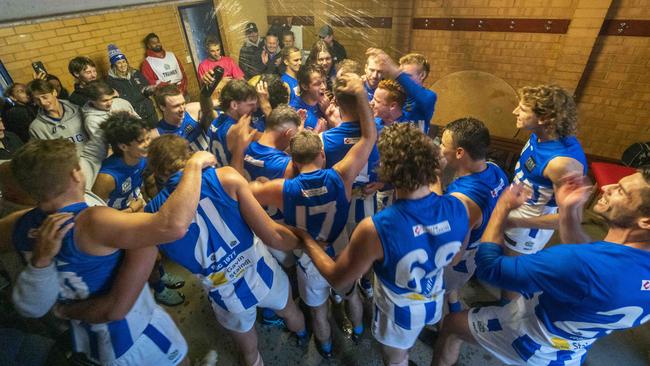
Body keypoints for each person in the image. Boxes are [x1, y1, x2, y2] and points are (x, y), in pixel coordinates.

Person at [9, 138, 217, 365]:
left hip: (95, 337)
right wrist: (194, 165)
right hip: (130, 335)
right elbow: (173, 225)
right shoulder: (91, 221)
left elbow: (29, 305)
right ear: (76, 174)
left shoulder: (19, 224)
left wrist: (47, 277)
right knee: (179, 361)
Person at [432, 168, 650, 366]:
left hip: (530, 339)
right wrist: (568, 210)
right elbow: (586, 256)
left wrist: (503, 207)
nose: (606, 187)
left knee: (451, 324)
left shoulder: (581, 262)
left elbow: (490, 267)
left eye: (621, 191)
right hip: (571, 350)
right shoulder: (610, 260)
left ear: (646, 222)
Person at [295, 123, 469, 366]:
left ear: (386, 170)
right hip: (433, 296)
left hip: (399, 311)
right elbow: (456, 258)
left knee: (395, 359)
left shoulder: (377, 227)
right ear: (434, 164)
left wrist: (307, 241)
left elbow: (339, 280)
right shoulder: (459, 208)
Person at [145, 134, 308, 366]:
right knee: (291, 312)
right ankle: (303, 338)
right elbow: (272, 235)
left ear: (159, 174)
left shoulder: (151, 216)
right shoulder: (225, 177)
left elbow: (154, 260)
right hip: (260, 269)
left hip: (223, 291)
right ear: (190, 155)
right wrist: (306, 242)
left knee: (248, 349)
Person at [247, 73, 375, 358]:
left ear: (292, 159)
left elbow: (247, 192)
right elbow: (369, 136)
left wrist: (257, 181)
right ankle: (358, 331)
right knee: (351, 294)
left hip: (308, 256)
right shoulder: (340, 176)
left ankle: (326, 349)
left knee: (318, 310)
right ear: (322, 153)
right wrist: (362, 95)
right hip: (339, 248)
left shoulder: (283, 188)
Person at [501, 85, 587, 300]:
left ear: (544, 117)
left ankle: (507, 317)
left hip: (526, 227)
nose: (515, 112)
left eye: (522, 109)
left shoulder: (562, 163)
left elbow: (570, 219)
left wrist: (517, 222)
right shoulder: (540, 135)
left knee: (513, 277)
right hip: (516, 213)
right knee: (506, 268)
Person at [438, 117, 508, 313]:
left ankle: (444, 326)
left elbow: (454, 255)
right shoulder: (495, 169)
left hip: (462, 259)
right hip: (483, 243)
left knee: (439, 291)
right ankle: (454, 306)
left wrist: (434, 176)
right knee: (452, 290)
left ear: (459, 152)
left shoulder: (463, 200)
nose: (440, 148)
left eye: (443, 144)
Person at [80, 80, 138, 188]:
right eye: (104, 100)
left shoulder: (121, 103)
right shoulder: (91, 120)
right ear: (92, 100)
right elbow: (107, 147)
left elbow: (139, 122)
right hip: (121, 159)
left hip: (138, 150)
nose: (110, 102)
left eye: (111, 98)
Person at [367, 48, 437, 135]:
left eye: (406, 76)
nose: (400, 80)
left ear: (422, 75)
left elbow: (421, 96)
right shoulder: (399, 94)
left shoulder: (429, 97)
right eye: (401, 75)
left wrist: (394, 70)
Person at [201, 79, 258, 166]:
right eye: (250, 105)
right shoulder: (237, 129)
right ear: (234, 105)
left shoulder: (217, 119)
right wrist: (266, 106)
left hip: (218, 174)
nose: (255, 109)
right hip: (233, 176)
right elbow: (272, 138)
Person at [27, 79, 87, 154]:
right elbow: (43, 157)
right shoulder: (37, 127)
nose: (43, 102)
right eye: (37, 100)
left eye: (45, 97)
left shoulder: (80, 111)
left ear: (54, 92)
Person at [106, 43, 158, 127]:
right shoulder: (110, 81)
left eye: (124, 61)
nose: (123, 65)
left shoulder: (136, 73)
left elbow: (146, 88)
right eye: (119, 63)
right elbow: (120, 100)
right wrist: (141, 94)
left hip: (150, 112)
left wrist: (150, 90)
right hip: (134, 116)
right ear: (114, 65)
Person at [289, 64, 329, 131]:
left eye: (324, 82)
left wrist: (327, 112)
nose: (324, 87)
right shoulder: (295, 111)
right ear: (304, 86)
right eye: (317, 84)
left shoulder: (325, 103)